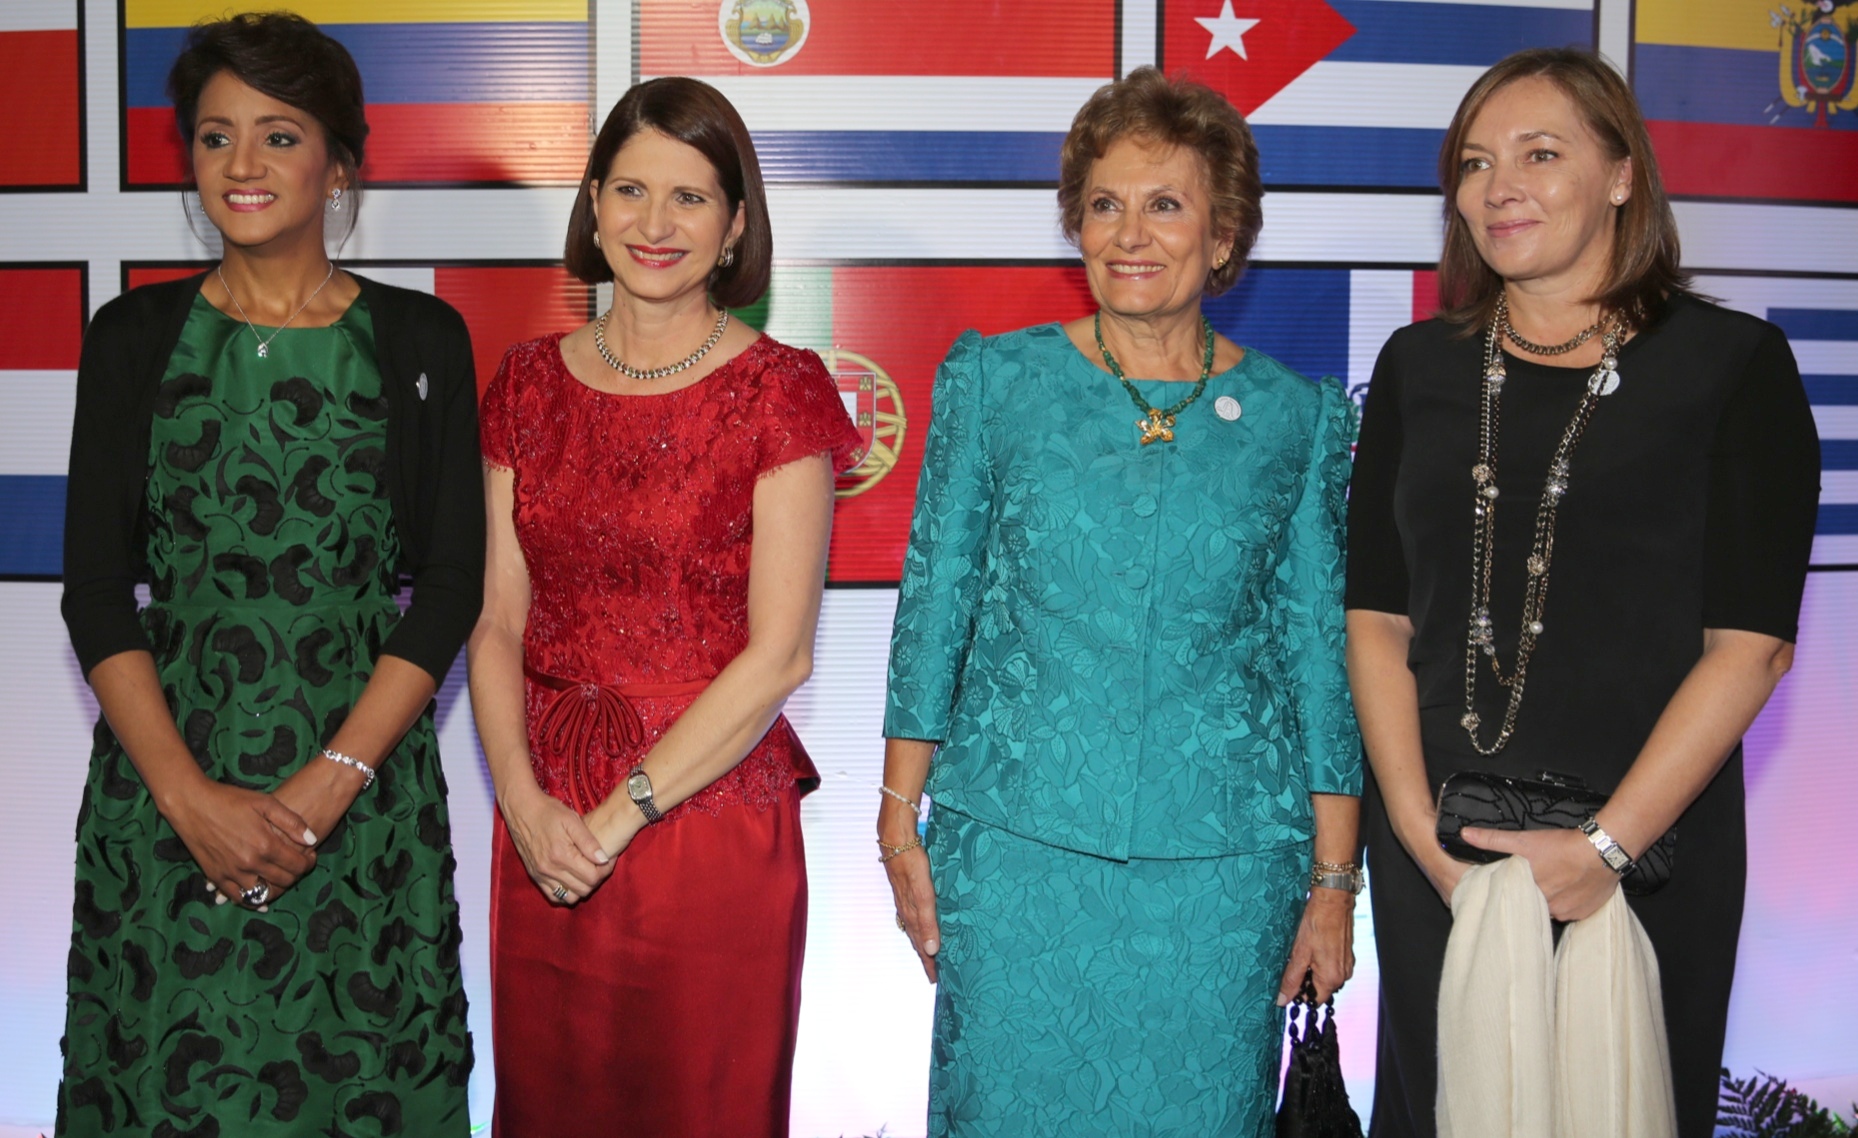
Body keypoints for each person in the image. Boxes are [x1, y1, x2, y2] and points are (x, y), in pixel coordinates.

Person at [878, 66, 1363, 1137]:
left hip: (1224, 876)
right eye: (1104, 204)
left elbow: (1318, 658)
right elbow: (937, 597)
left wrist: (1335, 881)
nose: (1129, 234)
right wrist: (899, 818)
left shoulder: (1298, 418)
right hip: (1015, 854)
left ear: (1223, 236)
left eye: (1165, 204)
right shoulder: (995, 382)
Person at [1346, 48, 1821, 1138]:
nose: (1497, 187)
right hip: (1441, 853)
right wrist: (1416, 834)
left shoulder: (1733, 365)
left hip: (1645, 856)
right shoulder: (1416, 366)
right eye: (1474, 163)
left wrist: (1604, 847)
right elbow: (1375, 617)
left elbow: (1751, 645)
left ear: (1620, 176)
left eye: (1539, 154)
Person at [57, 13, 483, 1135]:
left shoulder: (421, 339)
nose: (242, 164)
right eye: (216, 136)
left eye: (279, 135)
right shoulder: (130, 335)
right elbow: (95, 589)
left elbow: (449, 587)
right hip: (168, 794)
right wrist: (188, 799)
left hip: (363, 799)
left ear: (340, 163)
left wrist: (326, 788)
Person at [468, 76, 860, 1137]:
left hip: (705, 818)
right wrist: (523, 803)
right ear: (593, 206)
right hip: (545, 823)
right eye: (631, 190)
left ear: (734, 226)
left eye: (690, 197)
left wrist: (615, 816)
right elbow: (496, 619)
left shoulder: (780, 388)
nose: (655, 223)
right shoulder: (524, 383)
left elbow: (780, 656)